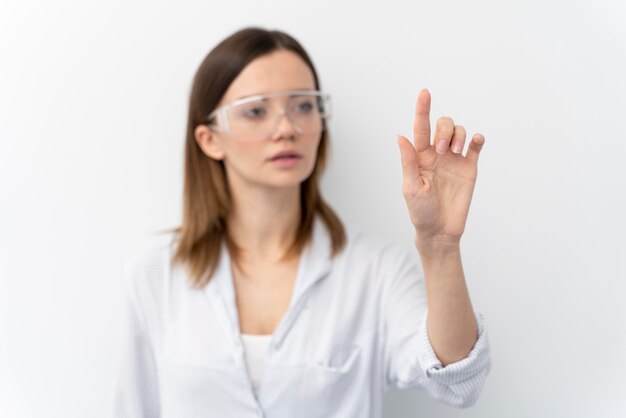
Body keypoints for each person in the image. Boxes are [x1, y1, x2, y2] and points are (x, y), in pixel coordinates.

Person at [114, 27, 491, 418]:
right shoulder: (154, 276)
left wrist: (440, 246)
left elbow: (458, 383)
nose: (287, 128)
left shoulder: (374, 270)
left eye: (303, 106)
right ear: (210, 139)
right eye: (256, 110)